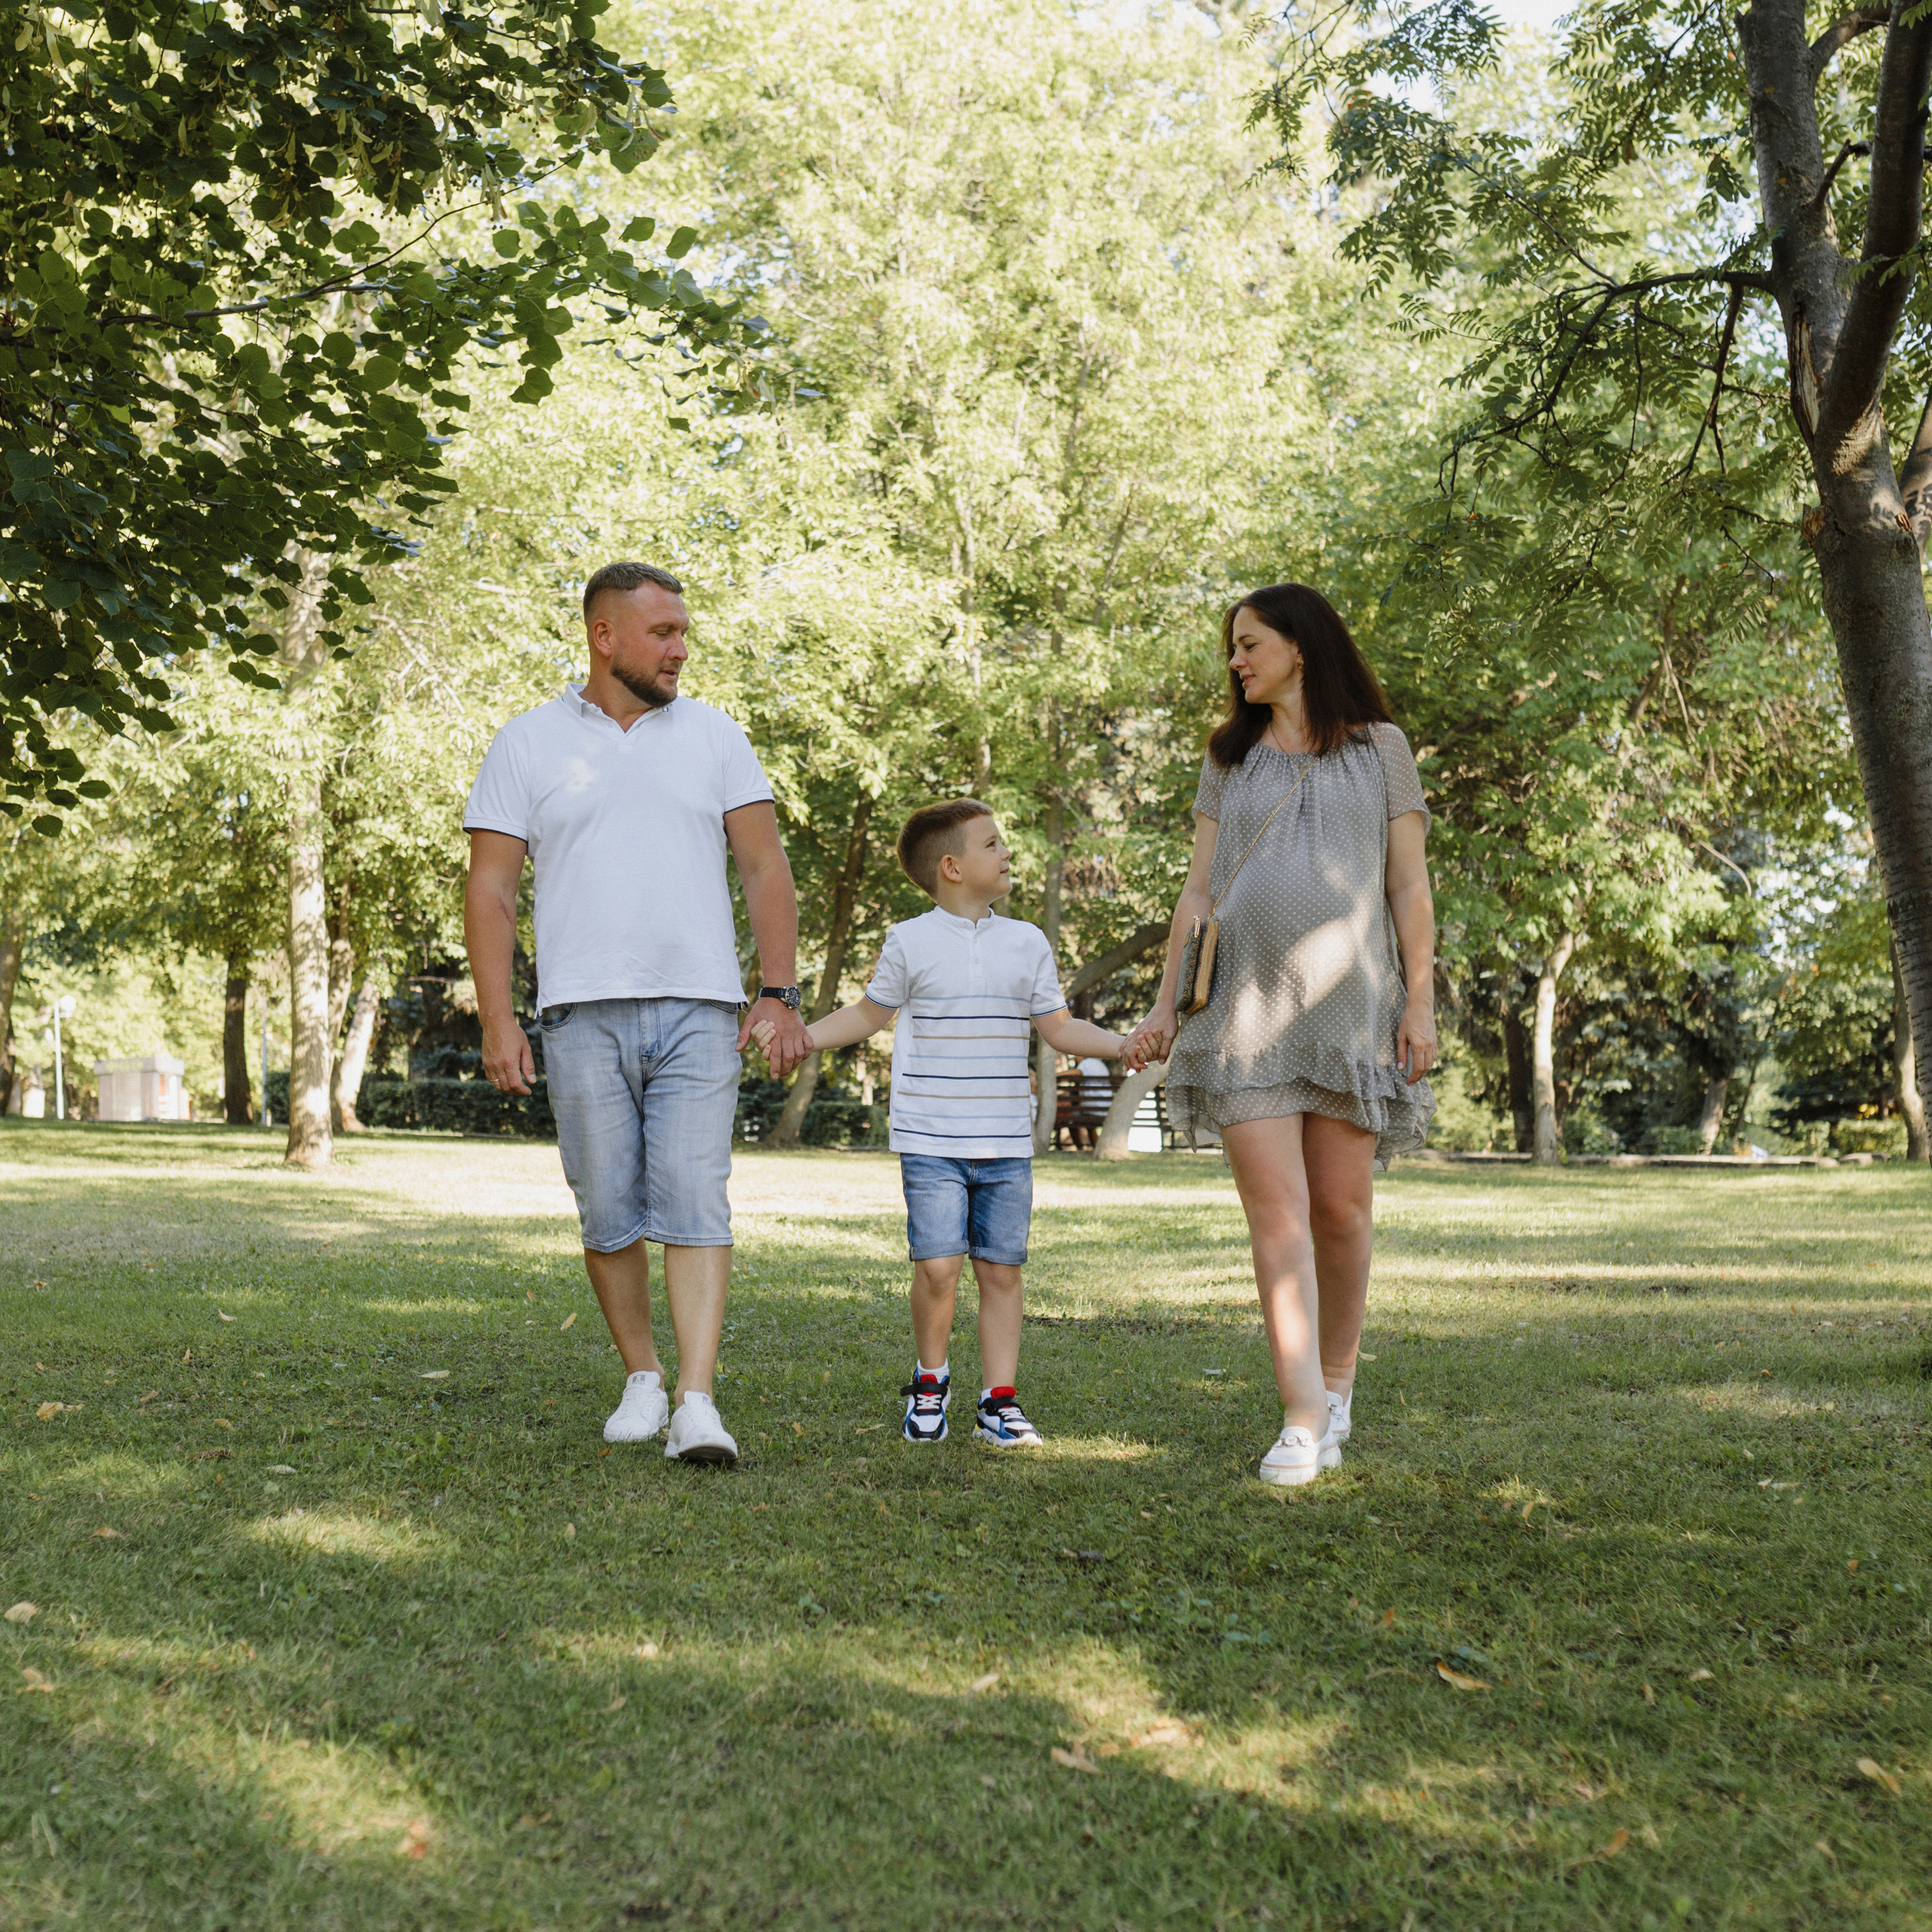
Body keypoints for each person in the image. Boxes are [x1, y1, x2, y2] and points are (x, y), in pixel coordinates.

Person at [463, 561, 811, 1468]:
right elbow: (491, 888)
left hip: (702, 1007)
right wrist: (499, 1019)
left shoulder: (716, 737)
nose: (680, 649)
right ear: (603, 635)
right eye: (661, 633)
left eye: (684, 632)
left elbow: (765, 867)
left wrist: (779, 992)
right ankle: (643, 1376)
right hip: (578, 1010)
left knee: (697, 1197)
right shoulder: (528, 743)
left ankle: (698, 1400)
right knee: (607, 1206)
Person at [1122, 583, 1436, 1487]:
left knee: (1340, 1211)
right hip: (1244, 1015)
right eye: (1234, 646)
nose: (1236, 659)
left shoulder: (1381, 750)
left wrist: (1419, 1002)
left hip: (1350, 1015)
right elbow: (1198, 892)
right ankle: (1300, 1416)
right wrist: (1162, 1004)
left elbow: (1409, 890)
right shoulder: (1230, 757)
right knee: (1278, 1219)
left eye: (1249, 642)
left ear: (1300, 646)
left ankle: (1336, 1388)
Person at [764, 801, 1127, 1446]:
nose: (1007, 853)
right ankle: (931, 1383)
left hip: (1006, 1143)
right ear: (954, 867)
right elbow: (868, 1015)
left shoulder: (1027, 943)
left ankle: (999, 1403)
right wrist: (802, 1039)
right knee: (937, 1269)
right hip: (930, 1139)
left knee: (1002, 1272)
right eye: (994, 844)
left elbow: (1060, 1028)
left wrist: (1124, 1044)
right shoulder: (910, 940)